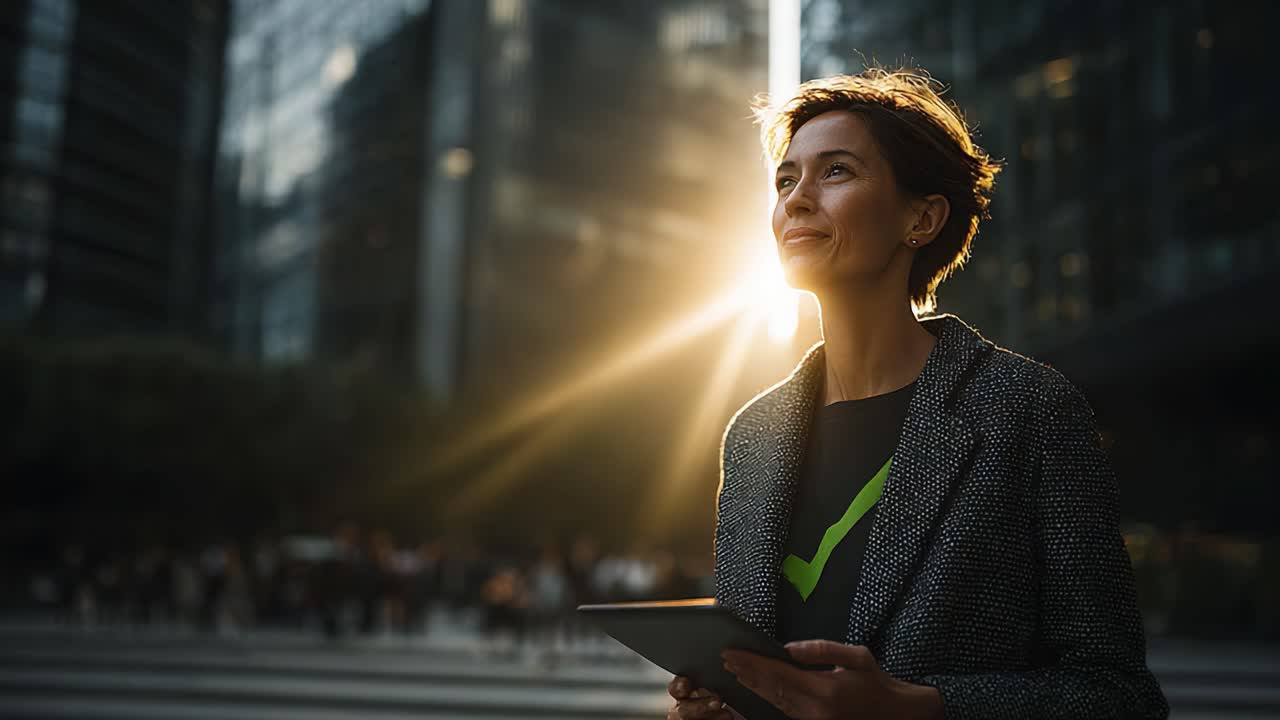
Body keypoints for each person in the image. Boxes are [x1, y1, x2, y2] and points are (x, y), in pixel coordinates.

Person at [668, 66, 1169, 719]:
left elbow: (1119, 697)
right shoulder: (754, 434)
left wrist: (914, 707)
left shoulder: (1029, 410)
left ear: (922, 218)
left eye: (837, 171)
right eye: (786, 179)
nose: (795, 197)